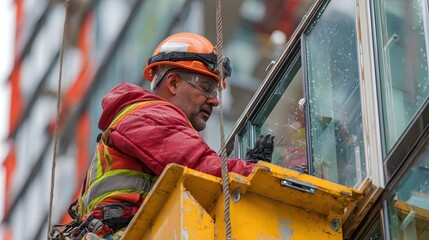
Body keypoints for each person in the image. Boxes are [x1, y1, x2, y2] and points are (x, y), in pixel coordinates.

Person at [51, 32, 274, 240]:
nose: (214, 101)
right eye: (206, 87)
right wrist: (253, 172)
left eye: (215, 92)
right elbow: (200, 167)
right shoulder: (150, 117)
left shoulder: (143, 120)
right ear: (173, 83)